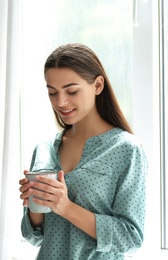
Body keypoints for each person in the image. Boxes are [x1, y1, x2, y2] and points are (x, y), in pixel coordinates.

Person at [19, 43, 147, 260]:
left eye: (71, 91)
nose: (60, 102)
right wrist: (35, 203)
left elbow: (131, 239)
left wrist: (66, 207)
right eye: (52, 92)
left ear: (97, 85)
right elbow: (34, 237)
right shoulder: (43, 149)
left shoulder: (126, 149)